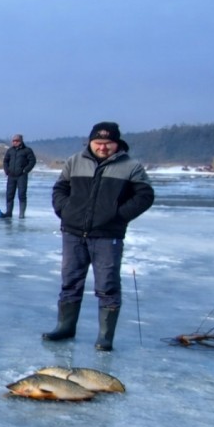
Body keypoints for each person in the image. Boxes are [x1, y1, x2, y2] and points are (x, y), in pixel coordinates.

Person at [43, 122, 154, 351]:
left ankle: (105, 337)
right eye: (98, 143)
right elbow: (60, 189)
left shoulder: (130, 166)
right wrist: (66, 211)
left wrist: (118, 216)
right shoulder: (75, 161)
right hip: (73, 233)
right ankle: (65, 327)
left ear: (117, 143)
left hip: (107, 236)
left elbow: (145, 196)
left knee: (108, 285)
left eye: (108, 143)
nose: (103, 148)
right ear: (91, 142)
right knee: (70, 282)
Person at [2, 134, 37, 218]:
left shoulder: (27, 150)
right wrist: (7, 170)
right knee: (9, 194)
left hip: (21, 176)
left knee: (22, 194)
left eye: (16, 141)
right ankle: (9, 212)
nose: (15, 142)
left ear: (21, 141)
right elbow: (5, 161)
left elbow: (32, 161)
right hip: (11, 176)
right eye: (13, 141)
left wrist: (25, 170)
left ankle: (21, 214)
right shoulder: (10, 150)